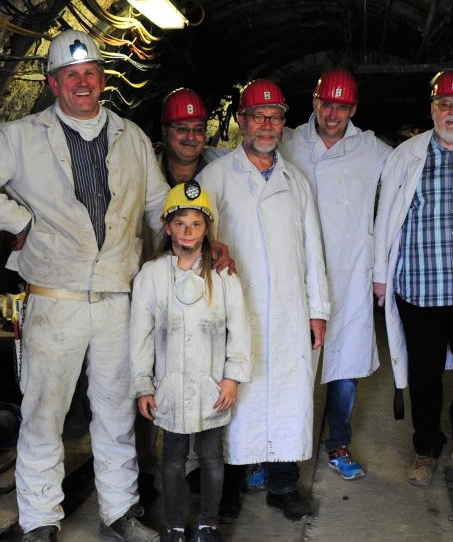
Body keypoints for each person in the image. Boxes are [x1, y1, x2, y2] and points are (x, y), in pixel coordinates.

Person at [0, 30, 166, 542]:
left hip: (116, 296)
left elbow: (157, 205)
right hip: (54, 297)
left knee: (115, 410)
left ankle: (121, 511)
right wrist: (20, 220)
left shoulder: (131, 137)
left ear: (103, 80)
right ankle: (41, 519)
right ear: (53, 84)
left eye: (90, 73)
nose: (82, 83)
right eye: (71, 76)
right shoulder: (22, 135)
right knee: (44, 413)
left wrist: (189, 240)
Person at [196, 79, 329, 524]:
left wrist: (318, 311)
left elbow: (314, 248)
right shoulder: (214, 178)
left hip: (290, 311)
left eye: (274, 118)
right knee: (236, 397)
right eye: (258, 116)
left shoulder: (297, 182)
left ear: (283, 123)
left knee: (289, 395)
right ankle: (229, 485)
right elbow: (189, 239)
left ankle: (283, 484)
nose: (267, 125)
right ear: (241, 121)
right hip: (235, 311)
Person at [372, 70, 453, 486]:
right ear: (432, 110)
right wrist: (380, 276)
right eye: (444, 105)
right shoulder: (405, 155)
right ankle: (426, 449)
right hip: (418, 285)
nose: (452, 112)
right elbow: (385, 217)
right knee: (423, 374)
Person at [280, 67, 392, 481]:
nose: (333, 113)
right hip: (297, 274)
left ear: (353, 109)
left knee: (345, 365)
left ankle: (338, 444)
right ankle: (277, 452)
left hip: (349, 273)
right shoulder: (289, 141)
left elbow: (414, 165)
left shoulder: (372, 149)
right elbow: (237, 160)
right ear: (315, 102)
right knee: (290, 365)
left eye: (342, 106)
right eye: (327, 103)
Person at [130, 181, 251, 542]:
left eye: (196, 224)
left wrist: (232, 377)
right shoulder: (151, 276)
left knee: (212, 457)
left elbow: (240, 328)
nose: (188, 231)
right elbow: (141, 336)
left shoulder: (223, 275)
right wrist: (143, 385)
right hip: (169, 387)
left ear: (207, 228)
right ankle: (175, 526)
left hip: (212, 387)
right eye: (180, 223)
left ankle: (209, 525)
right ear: (167, 227)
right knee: (172, 458)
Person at [136, 87, 230, 502]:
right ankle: (146, 476)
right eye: (181, 128)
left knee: (202, 381)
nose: (191, 136)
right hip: (151, 292)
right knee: (150, 386)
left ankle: (198, 483)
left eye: (197, 128)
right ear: (165, 130)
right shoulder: (144, 171)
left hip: (203, 296)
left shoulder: (220, 170)